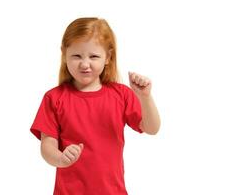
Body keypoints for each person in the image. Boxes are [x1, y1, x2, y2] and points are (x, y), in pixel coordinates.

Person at [30, 17, 161, 195]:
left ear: (108, 57)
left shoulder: (121, 94)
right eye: (76, 56)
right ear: (64, 54)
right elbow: (47, 145)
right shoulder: (54, 98)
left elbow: (152, 128)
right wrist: (60, 158)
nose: (85, 64)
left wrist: (145, 97)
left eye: (94, 56)